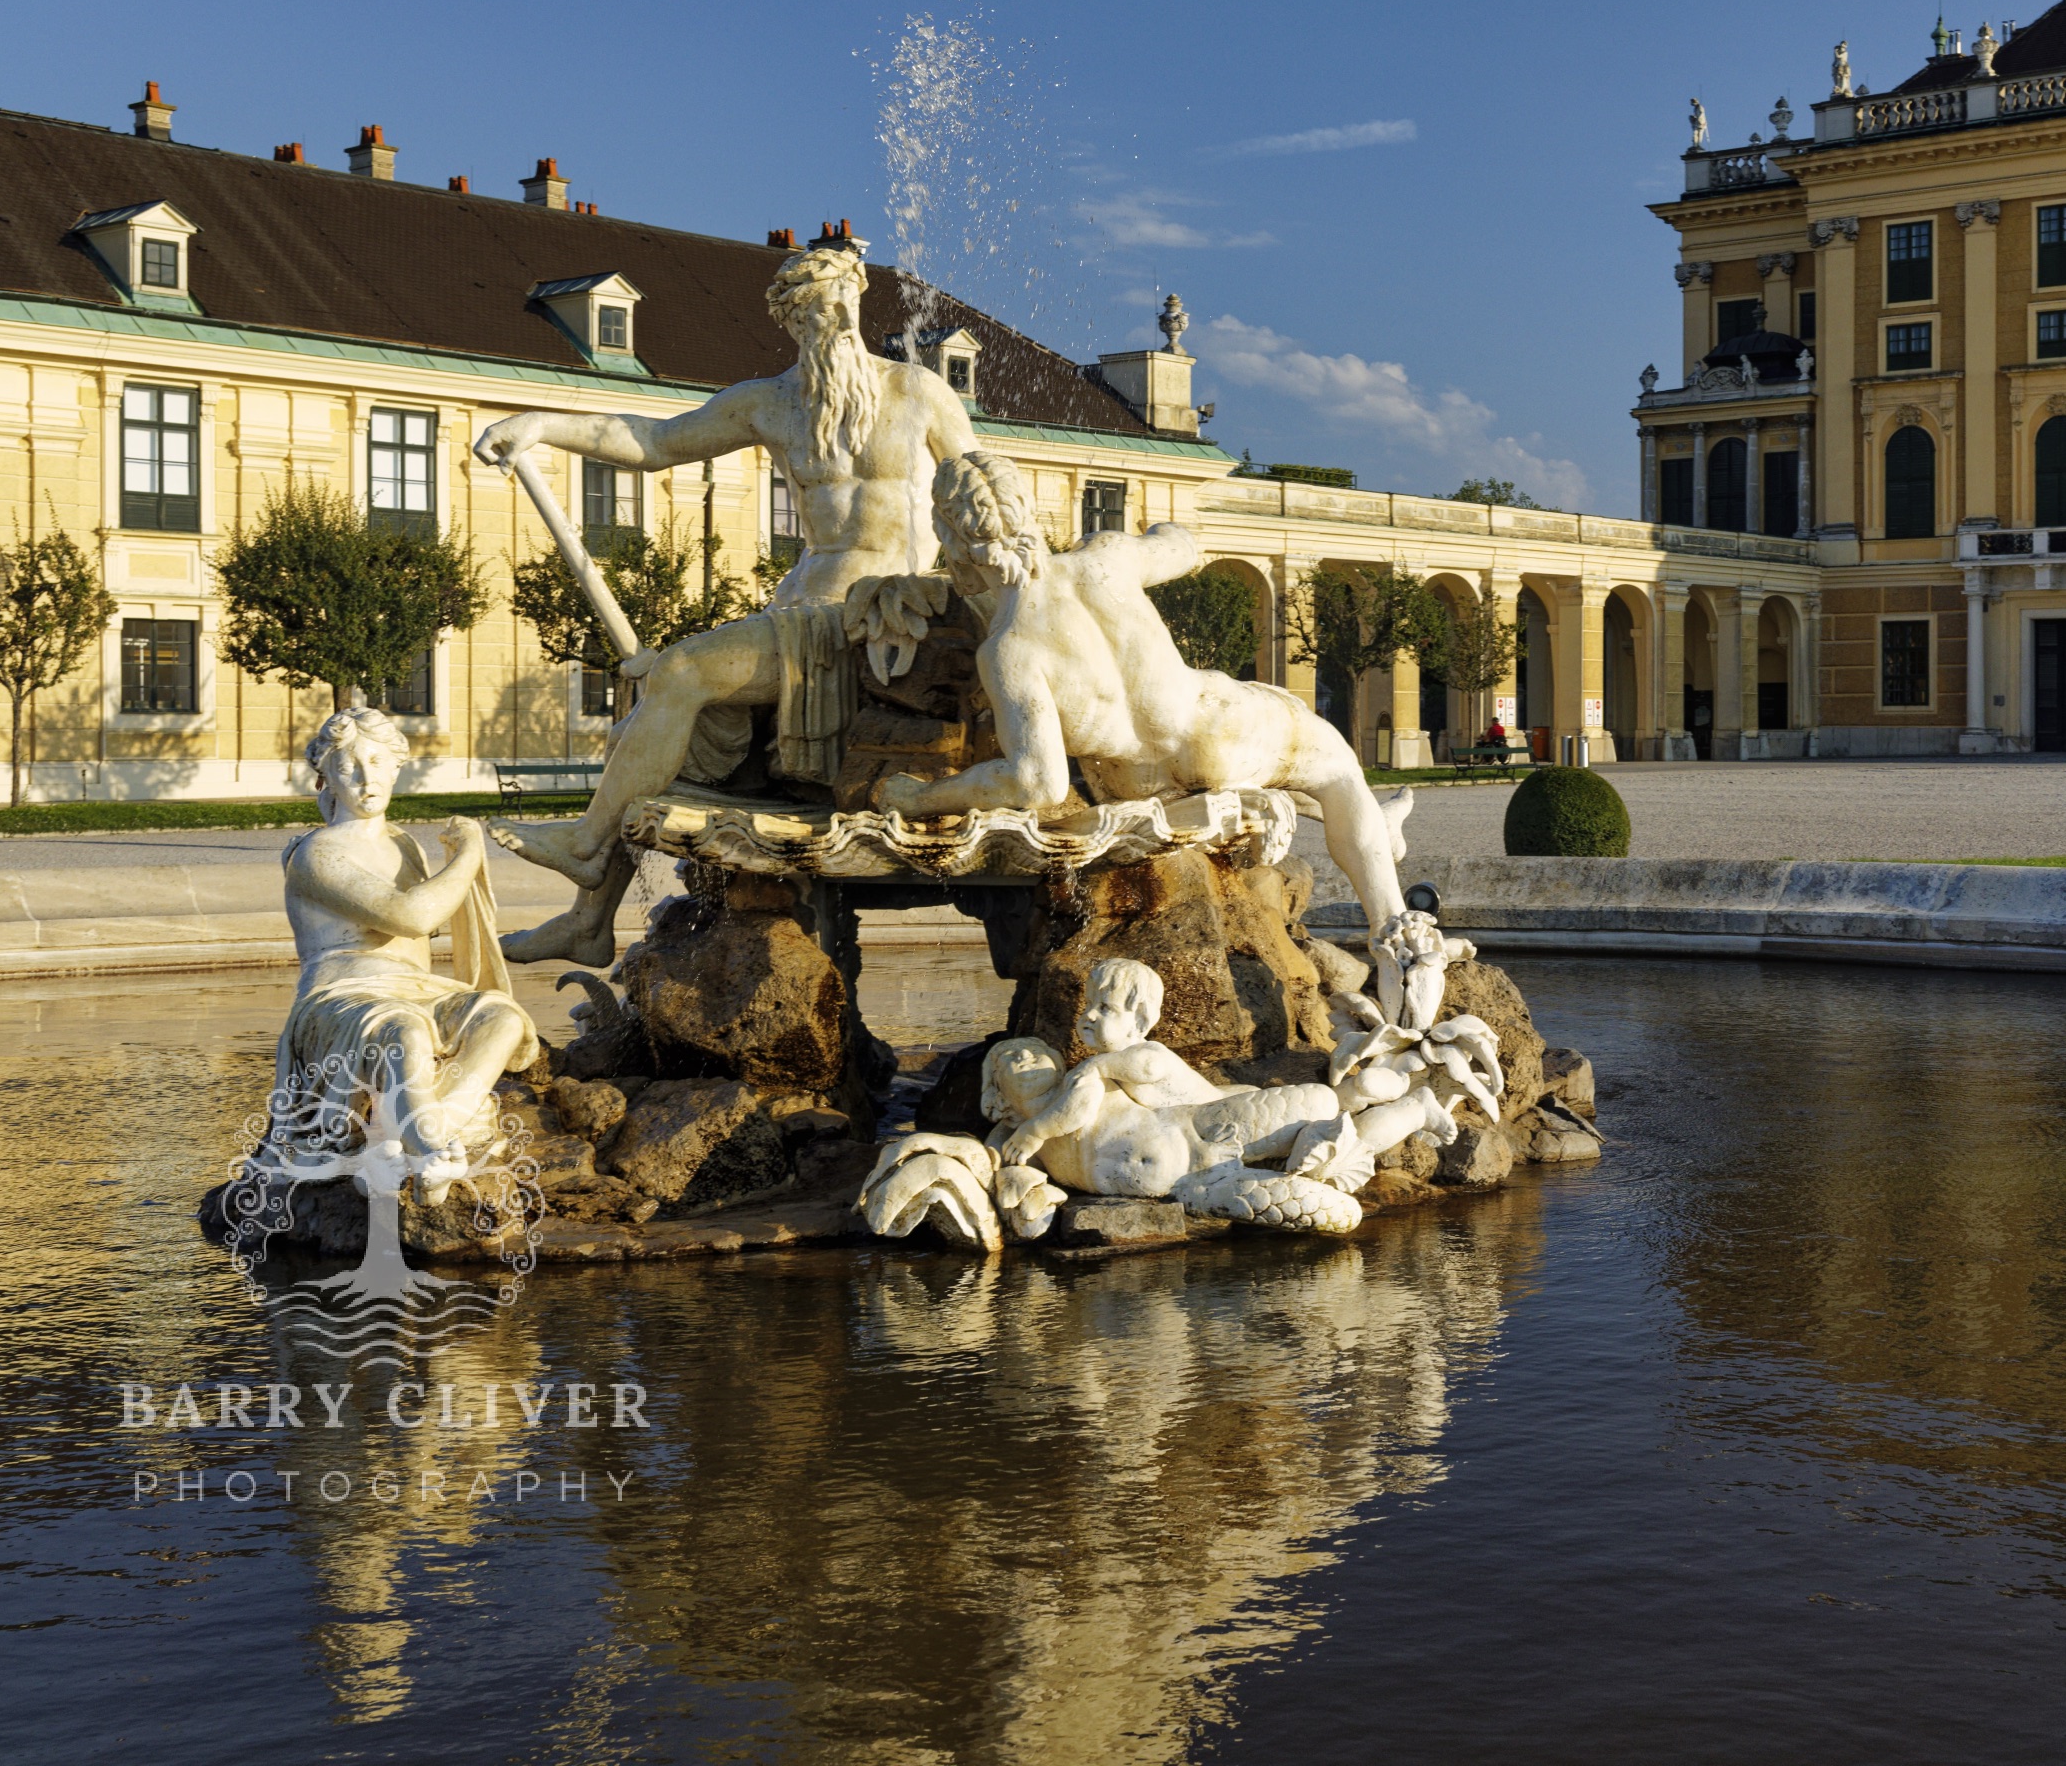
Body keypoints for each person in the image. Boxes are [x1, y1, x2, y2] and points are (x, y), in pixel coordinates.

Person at [470, 242, 983, 964]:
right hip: (803, 611)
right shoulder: (770, 403)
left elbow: (980, 488)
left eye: (840, 303)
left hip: (883, 616)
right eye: (812, 309)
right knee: (648, 731)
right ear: (792, 320)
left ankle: (587, 845)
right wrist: (542, 425)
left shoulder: (917, 392)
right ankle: (589, 923)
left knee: (677, 674)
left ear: (858, 304)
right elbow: (653, 440)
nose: (830, 318)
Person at [883, 451, 1417, 934]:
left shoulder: (1008, 650)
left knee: (1316, 783)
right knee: (1340, 773)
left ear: (951, 541)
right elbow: (1184, 546)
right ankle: (1392, 927)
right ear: (1025, 509)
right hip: (1217, 728)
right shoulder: (1106, 557)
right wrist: (1163, 526)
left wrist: (922, 796)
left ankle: (1369, 824)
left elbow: (1036, 782)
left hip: (1136, 780)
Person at [277, 698, 539, 1199]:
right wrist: (467, 854)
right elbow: (414, 915)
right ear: (323, 778)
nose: (364, 776)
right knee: (404, 1029)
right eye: (347, 766)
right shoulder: (316, 854)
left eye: (376, 762)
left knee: (501, 1019)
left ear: (398, 768)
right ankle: (428, 1150)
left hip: (418, 987)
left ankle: (438, 1132)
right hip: (343, 995)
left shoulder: (406, 847)